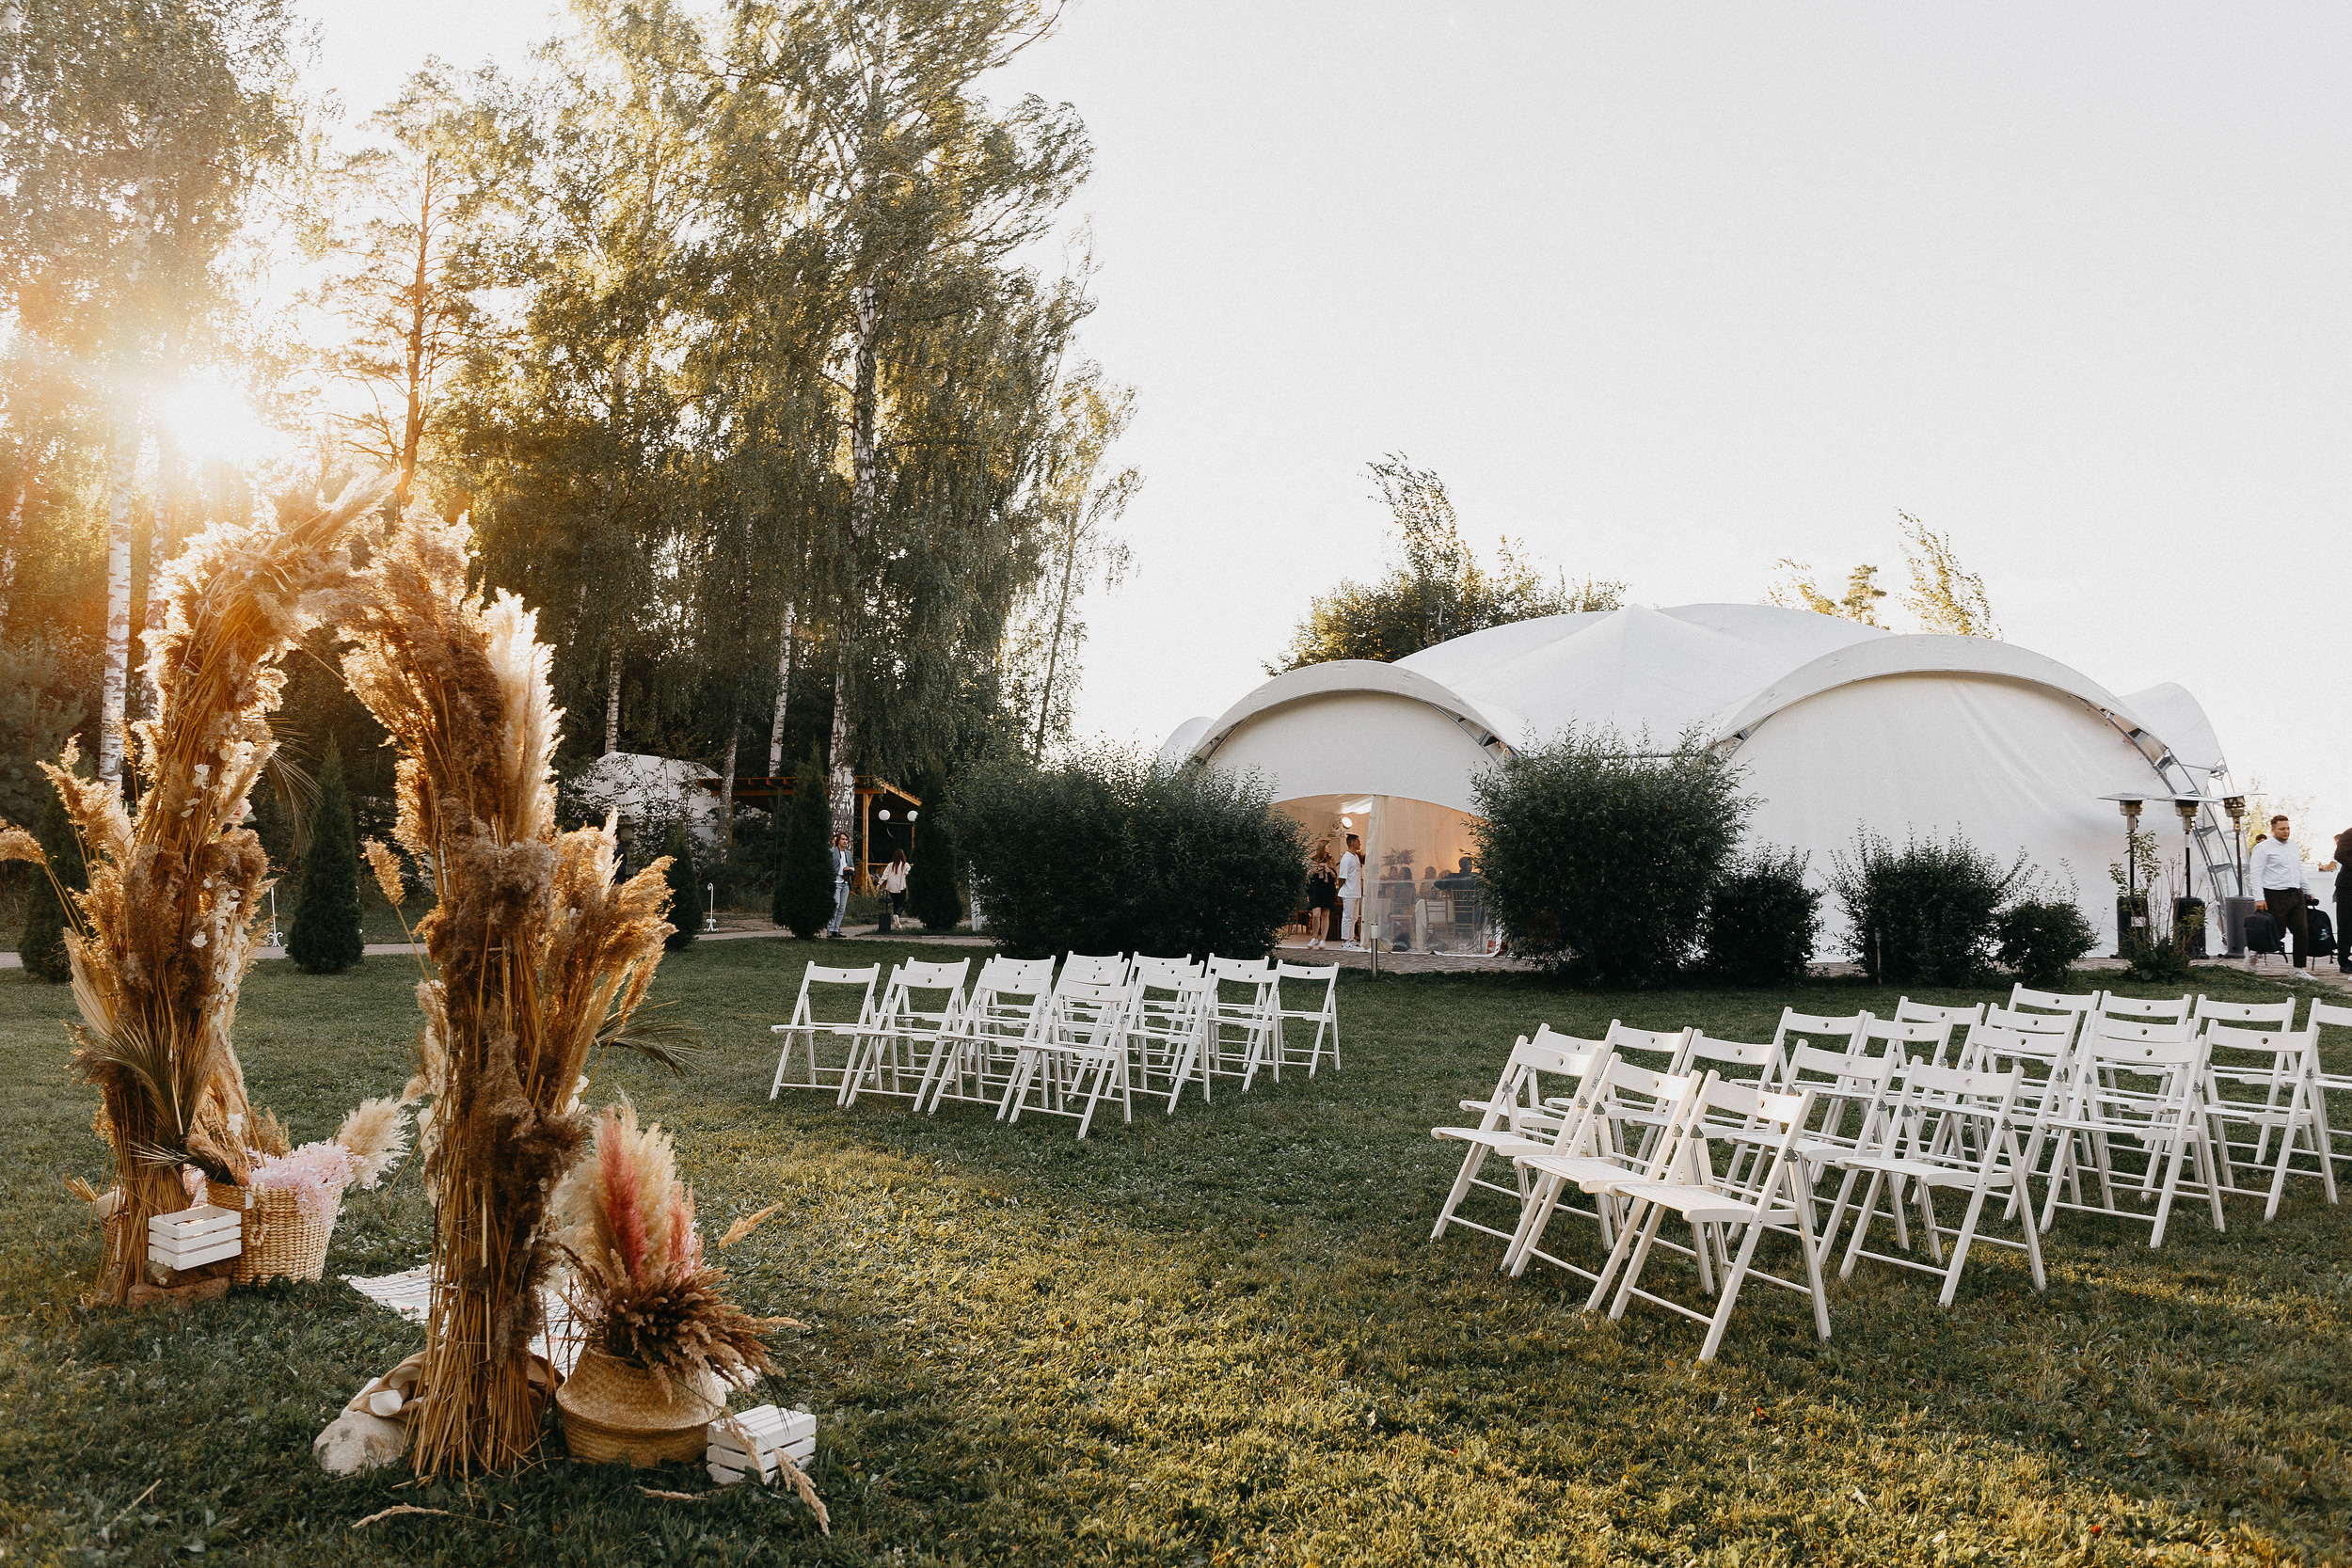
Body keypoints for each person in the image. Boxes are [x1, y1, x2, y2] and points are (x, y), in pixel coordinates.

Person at [2249, 816, 2338, 978]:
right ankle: (2254, 951)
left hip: (2295, 894)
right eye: (2281, 828)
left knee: (2302, 931)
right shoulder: (2263, 848)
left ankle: (2299, 969)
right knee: (2278, 933)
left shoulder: (2293, 847)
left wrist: (2308, 890)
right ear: (2273, 829)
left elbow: (2298, 871)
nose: (2285, 831)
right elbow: (2255, 874)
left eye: (2287, 828)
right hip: (2274, 894)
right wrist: (2259, 897)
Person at [1304, 846, 1337, 948]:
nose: (1330, 848)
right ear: (1323, 847)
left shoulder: (1331, 860)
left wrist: (1329, 871)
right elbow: (1307, 874)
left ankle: (1323, 939)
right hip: (1316, 889)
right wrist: (1314, 871)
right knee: (1316, 914)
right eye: (1328, 846)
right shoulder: (1313, 860)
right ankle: (1314, 937)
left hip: (1327, 889)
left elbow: (1335, 875)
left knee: (1325, 915)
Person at [1337, 833, 1364, 951]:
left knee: (1354, 918)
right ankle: (1345, 940)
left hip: (1356, 891)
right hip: (1348, 892)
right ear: (1352, 843)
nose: (1359, 844)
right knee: (1347, 917)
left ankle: (1352, 938)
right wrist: (1338, 890)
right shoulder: (1346, 858)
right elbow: (1342, 877)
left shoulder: (1355, 857)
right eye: (1358, 841)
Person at [825, 832, 853, 937]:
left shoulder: (848, 853)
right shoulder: (832, 852)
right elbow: (827, 867)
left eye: (846, 839)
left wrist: (850, 869)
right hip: (835, 882)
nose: (845, 841)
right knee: (835, 906)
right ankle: (830, 929)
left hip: (845, 882)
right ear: (838, 841)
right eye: (843, 839)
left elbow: (852, 866)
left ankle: (836, 930)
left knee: (842, 908)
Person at [880, 848, 911, 929]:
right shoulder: (905, 865)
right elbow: (908, 872)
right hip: (901, 887)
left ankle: (896, 920)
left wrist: (879, 883)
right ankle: (897, 915)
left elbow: (885, 874)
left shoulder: (891, 865)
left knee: (895, 903)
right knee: (901, 903)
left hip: (891, 887)